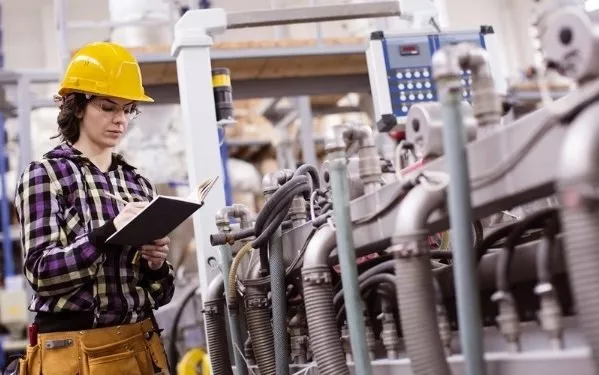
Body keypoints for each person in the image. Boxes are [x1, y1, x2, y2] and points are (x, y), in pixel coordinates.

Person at [12, 41, 176, 375]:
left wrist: (156, 266)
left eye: (128, 109)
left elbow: (161, 295)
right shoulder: (46, 175)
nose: (120, 120)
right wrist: (106, 234)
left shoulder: (138, 184)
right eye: (108, 107)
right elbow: (42, 274)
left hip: (141, 345)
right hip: (74, 352)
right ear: (77, 107)